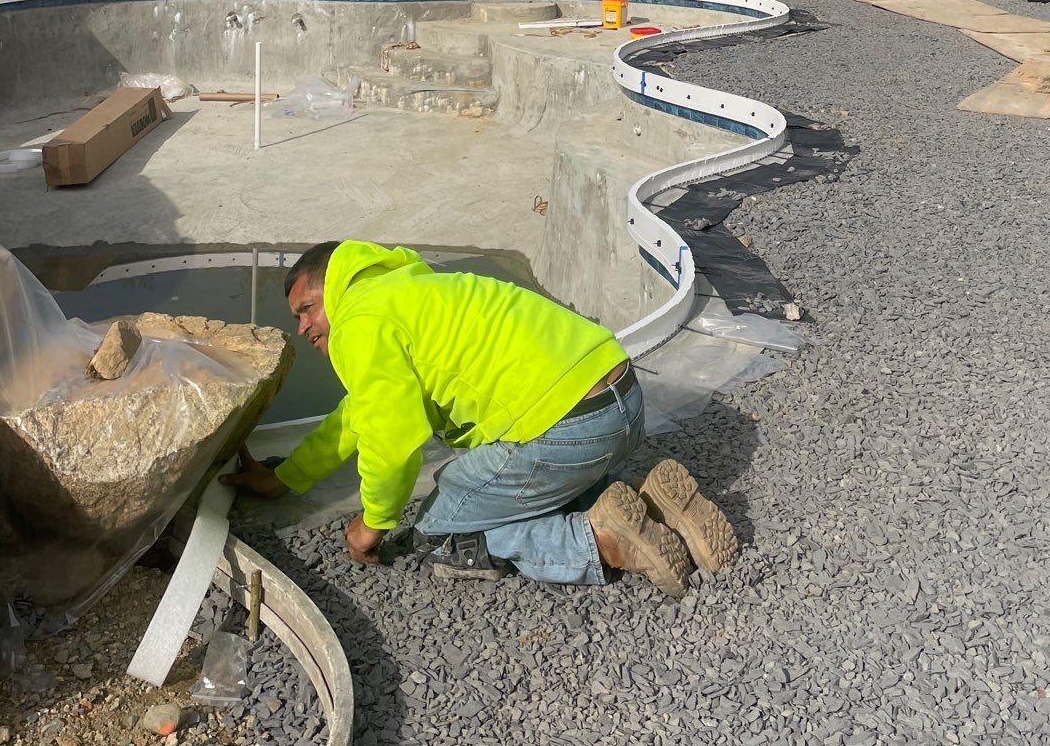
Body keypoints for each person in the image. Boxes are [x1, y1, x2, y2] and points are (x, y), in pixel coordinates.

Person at [224, 240, 738, 595]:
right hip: (620, 402)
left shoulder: (359, 322)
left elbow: (389, 437)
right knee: (506, 479)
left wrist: (373, 523)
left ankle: (598, 543)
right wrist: (286, 477)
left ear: (334, 287)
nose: (303, 327)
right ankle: (654, 505)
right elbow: (359, 413)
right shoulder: (408, 295)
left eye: (307, 308)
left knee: (443, 528)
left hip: (570, 430)